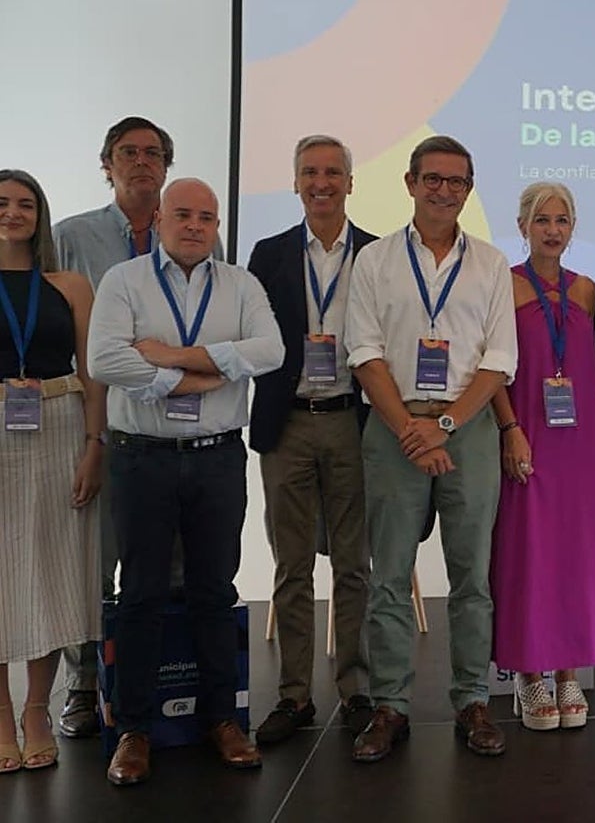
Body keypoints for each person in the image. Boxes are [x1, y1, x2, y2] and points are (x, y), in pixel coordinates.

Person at [88, 178, 284, 785]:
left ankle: (224, 720)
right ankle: (135, 729)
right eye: (184, 214)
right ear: (159, 216)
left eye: (207, 216)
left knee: (213, 589)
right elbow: (104, 360)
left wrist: (173, 358)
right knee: (142, 592)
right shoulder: (125, 282)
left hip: (216, 458)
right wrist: (206, 373)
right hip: (141, 456)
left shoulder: (241, 284)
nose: (196, 225)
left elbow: (271, 350)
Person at [345, 135, 516, 760]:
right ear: (411, 182)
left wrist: (441, 428)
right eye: (433, 179)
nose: (445, 190)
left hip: (465, 432)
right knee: (388, 576)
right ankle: (390, 706)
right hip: (393, 431)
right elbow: (362, 353)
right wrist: (411, 432)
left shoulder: (492, 264)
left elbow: (500, 362)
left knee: (473, 576)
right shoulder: (377, 261)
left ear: (469, 190)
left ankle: (472, 699)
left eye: (458, 181)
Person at [52, 116, 220, 738]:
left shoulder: (196, 236)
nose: (142, 163)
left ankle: (168, 689)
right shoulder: (71, 239)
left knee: (171, 568)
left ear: (168, 168)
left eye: (154, 154)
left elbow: (213, 330)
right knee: (95, 562)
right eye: (129, 153)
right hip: (99, 423)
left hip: (179, 428)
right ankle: (84, 686)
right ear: (107, 164)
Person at [247, 135, 377, 744]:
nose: (321, 182)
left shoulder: (379, 255)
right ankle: (294, 696)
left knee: (354, 565)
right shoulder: (267, 253)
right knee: (290, 565)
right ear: (296, 182)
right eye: (309, 173)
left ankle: (355, 690)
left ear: (350, 182)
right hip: (289, 423)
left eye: (332, 172)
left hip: (354, 422)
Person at [490, 182, 595, 731]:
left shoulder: (586, 289)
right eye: (542, 220)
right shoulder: (503, 285)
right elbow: (489, 367)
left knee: (576, 555)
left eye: (562, 220)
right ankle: (528, 671)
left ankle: (567, 671)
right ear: (523, 226)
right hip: (529, 433)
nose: (553, 230)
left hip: (580, 441)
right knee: (530, 553)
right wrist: (509, 429)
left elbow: (591, 369)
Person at [0, 170, 103, 772]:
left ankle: (37, 708)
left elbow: (93, 374)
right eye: (3, 203)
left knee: (48, 572)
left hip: (60, 426)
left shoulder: (69, 286)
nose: (13, 213)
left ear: (40, 215)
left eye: (25, 204)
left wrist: (95, 443)